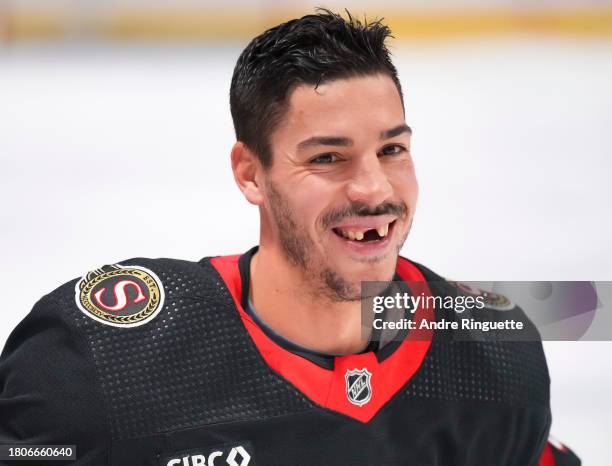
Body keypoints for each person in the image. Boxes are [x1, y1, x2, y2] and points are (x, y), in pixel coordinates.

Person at [0, 10, 580, 466]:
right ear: (251, 173)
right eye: (328, 157)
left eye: (392, 150)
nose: (374, 189)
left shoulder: (492, 354)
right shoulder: (102, 362)